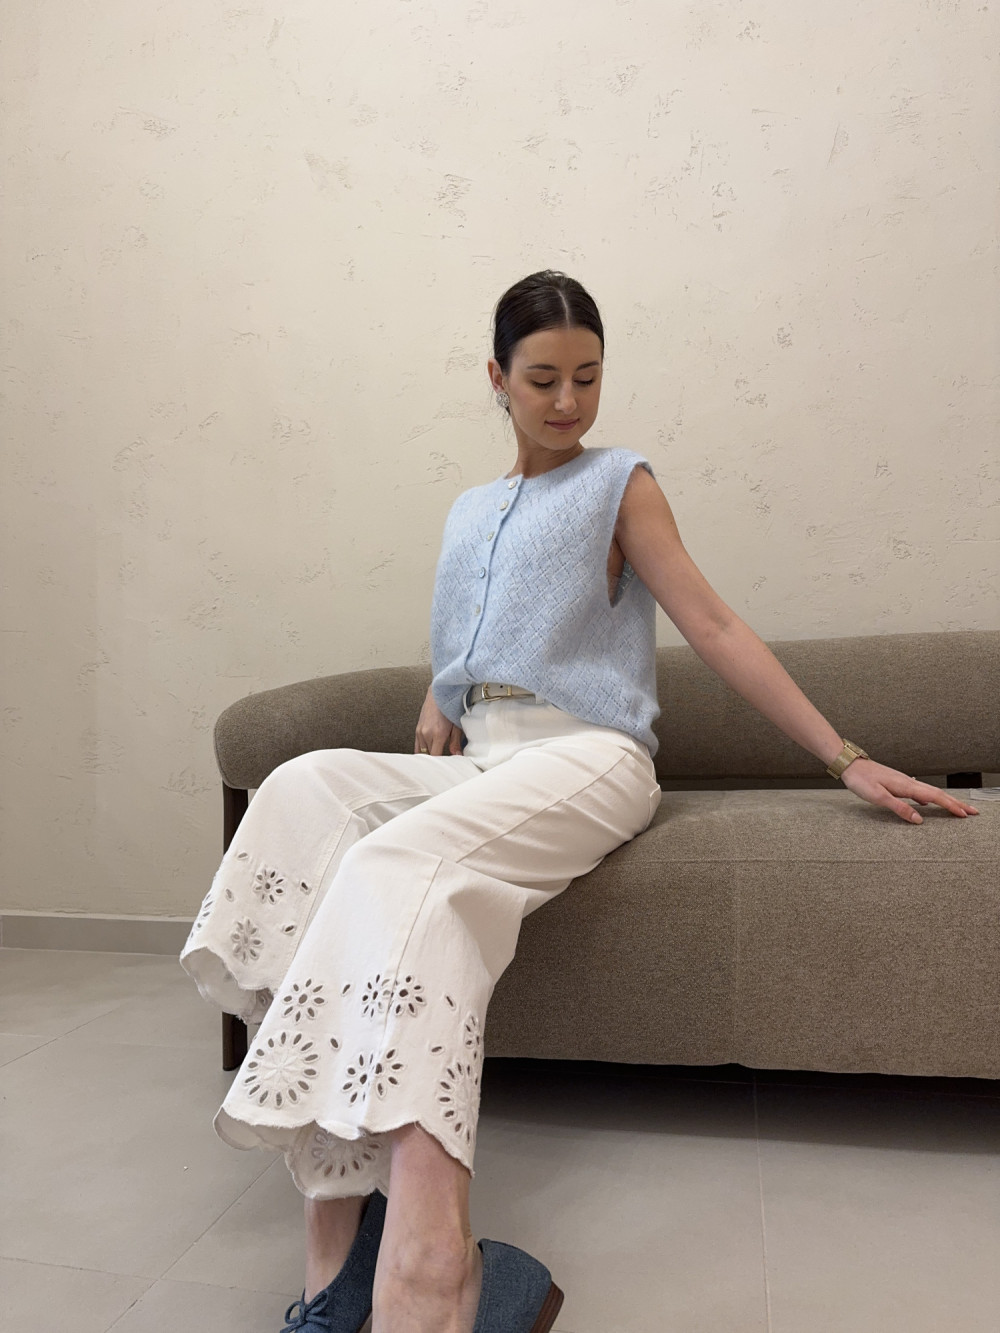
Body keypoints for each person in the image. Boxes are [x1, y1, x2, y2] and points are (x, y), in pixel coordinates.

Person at [180, 270, 978, 1333]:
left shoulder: (619, 483)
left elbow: (713, 624)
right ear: (496, 378)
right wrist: (440, 691)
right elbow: (468, 633)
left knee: (394, 865)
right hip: (484, 759)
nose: (568, 401)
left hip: (592, 755)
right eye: (544, 378)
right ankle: (344, 1221)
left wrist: (844, 757)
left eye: (588, 377)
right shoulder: (470, 509)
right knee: (301, 789)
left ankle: (425, 1268)